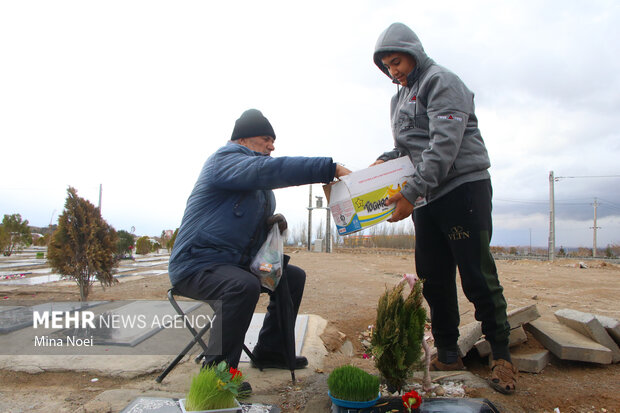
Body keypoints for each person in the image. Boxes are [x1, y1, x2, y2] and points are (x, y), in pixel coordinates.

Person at [371, 22, 517, 394]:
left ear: (412, 52)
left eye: (397, 61)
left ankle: (502, 357)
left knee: (476, 275)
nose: (394, 71)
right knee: (433, 279)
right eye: (387, 66)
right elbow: (410, 150)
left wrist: (409, 192)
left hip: (462, 189)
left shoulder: (442, 82)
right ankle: (448, 353)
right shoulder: (399, 98)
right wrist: (384, 163)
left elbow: (444, 148)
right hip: (426, 197)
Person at [168, 108, 351, 390]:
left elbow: (244, 228)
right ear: (242, 140)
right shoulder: (224, 160)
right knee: (242, 286)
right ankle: (215, 373)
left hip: (234, 265)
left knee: (292, 277)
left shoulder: (258, 188)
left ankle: (272, 350)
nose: (272, 146)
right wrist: (329, 168)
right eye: (266, 139)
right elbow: (270, 170)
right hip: (197, 265)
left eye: (273, 140)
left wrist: (272, 229)